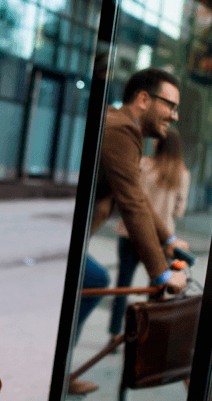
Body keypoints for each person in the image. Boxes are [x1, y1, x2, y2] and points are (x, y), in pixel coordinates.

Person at [69, 68, 188, 395]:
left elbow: (137, 196)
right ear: (144, 99)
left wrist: (168, 239)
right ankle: (62, 367)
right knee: (94, 280)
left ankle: (64, 365)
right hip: (67, 238)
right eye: (170, 106)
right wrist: (162, 274)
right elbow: (133, 202)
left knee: (95, 281)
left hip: (74, 236)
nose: (174, 116)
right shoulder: (121, 131)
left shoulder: (123, 128)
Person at [108, 128, 191, 342]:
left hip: (130, 233)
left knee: (122, 286)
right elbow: (179, 211)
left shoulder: (143, 165)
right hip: (162, 241)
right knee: (157, 289)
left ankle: (115, 334)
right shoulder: (182, 174)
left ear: (159, 144)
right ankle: (145, 339)